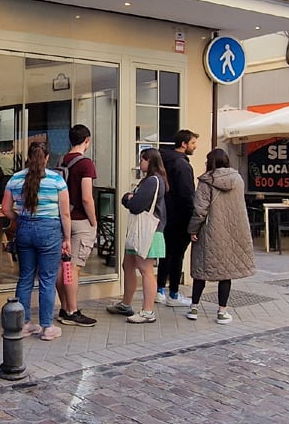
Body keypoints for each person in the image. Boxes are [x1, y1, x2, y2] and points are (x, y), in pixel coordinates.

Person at [2, 141, 71, 341]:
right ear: (47, 157)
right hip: (50, 231)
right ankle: (47, 327)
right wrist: (66, 238)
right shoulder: (56, 180)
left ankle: (22, 324)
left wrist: (20, 219)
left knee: (25, 278)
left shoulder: (15, 179)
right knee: (47, 280)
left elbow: (6, 209)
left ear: (28, 157)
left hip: (25, 230)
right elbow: (65, 214)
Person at [186, 149, 255, 325]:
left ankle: (194, 308)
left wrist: (193, 230)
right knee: (226, 272)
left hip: (209, 232)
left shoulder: (206, 181)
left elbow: (200, 210)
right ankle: (222, 312)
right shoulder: (238, 180)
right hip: (231, 232)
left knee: (200, 269)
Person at [108, 148, 168, 324]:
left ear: (150, 161)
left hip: (149, 231)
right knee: (128, 264)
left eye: (142, 160)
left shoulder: (153, 181)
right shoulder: (149, 180)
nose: (140, 163)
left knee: (145, 269)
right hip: (139, 231)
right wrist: (130, 199)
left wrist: (128, 198)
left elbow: (135, 205)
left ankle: (148, 311)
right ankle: (126, 304)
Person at [55, 125, 98, 327]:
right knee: (73, 268)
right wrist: (94, 220)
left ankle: (64, 308)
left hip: (63, 219)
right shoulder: (86, 164)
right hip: (80, 220)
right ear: (87, 140)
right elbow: (87, 197)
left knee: (61, 266)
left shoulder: (61, 160)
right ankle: (72, 311)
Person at [157, 129, 199, 308]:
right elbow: (187, 194)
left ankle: (159, 290)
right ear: (184, 144)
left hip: (165, 213)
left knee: (165, 254)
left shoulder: (164, 160)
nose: (195, 147)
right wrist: (193, 218)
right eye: (193, 143)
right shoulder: (181, 165)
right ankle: (173, 293)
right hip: (180, 216)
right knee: (177, 255)